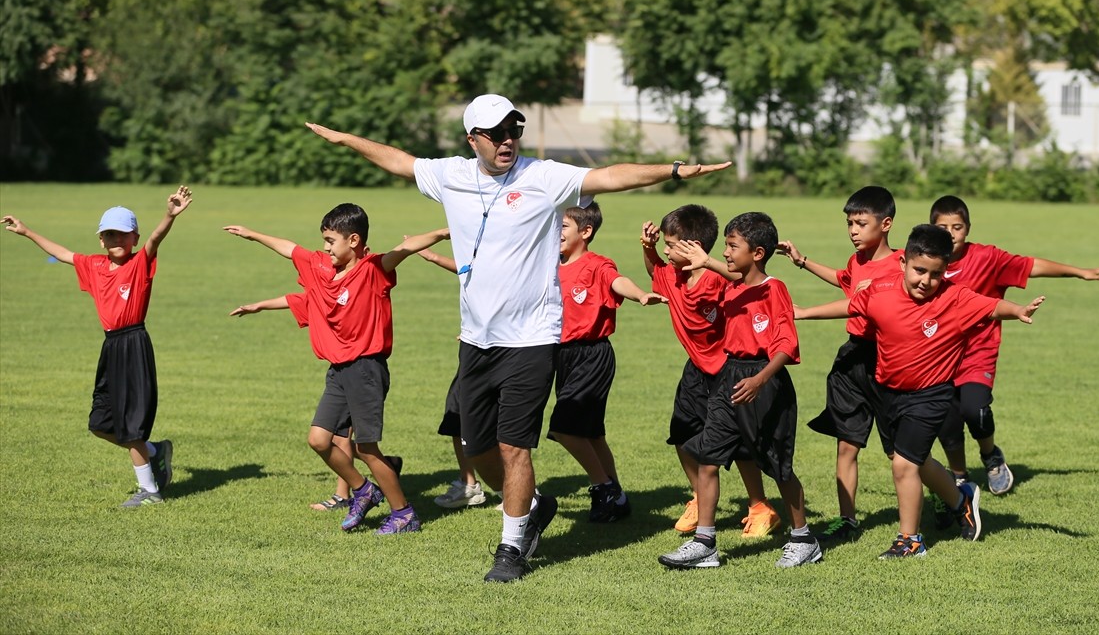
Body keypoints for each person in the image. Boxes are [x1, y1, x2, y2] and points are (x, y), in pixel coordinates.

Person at [306, 93, 729, 582]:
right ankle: (532, 506)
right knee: (478, 449)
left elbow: (611, 176)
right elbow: (399, 161)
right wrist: (344, 139)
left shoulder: (543, 177)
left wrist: (674, 170)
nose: (508, 140)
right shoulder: (451, 175)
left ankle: (510, 549)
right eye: (497, 133)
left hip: (532, 338)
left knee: (514, 447)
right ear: (473, 140)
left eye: (514, 130)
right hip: (475, 340)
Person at [794, 224, 1046, 559]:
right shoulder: (881, 291)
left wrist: (1018, 310)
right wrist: (804, 313)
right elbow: (853, 306)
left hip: (931, 395)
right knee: (919, 461)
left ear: (946, 271)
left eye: (936, 274)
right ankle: (961, 499)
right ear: (903, 263)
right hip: (889, 393)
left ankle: (910, 541)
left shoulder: (955, 297)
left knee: (903, 465)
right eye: (919, 271)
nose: (926, 280)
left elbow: (992, 306)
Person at [226, 203, 449, 535]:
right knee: (318, 439)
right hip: (338, 371)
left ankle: (404, 514)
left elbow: (404, 249)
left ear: (354, 240)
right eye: (325, 240)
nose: (326, 247)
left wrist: (445, 231)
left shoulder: (372, 270)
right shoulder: (323, 271)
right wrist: (253, 235)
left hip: (366, 370)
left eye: (331, 241)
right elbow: (291, 249)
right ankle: (364, 490)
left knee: (366, 448)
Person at [2, 187, 192, 507]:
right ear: (101, 240)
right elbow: (64, 254)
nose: (116, 239)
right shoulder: (94, 266)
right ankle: (155, 451)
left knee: (131, 425)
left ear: (134, 238)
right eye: (109, 234)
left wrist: (169, 216)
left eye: (123, 234)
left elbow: (156, 239)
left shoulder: (139, 264)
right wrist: (27, 232)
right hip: (111, 347)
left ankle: (150, 491)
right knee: (101, 423)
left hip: (133, 344)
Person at [657, 212, 819, 570]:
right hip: (729, 377)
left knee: (778, 466)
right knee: (708, 459)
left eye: (733, 246)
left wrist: (760, 379)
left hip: (765, 380)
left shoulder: (775, 290)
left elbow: (786, 344)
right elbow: (721, 279)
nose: (726, 252)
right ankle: (705, 544)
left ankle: (804, 539)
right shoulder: (730, 287)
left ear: (757, 253)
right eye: (726, 246)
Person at [927, 195, 1099, 503]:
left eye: (957, 227)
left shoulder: (986, 258)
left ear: (968, 228)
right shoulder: (923, 261)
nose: (951, 234)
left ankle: (991, 456)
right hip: (937, 357)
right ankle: (959, 476)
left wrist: (1079, 271)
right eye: (942, 228)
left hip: (977, 354)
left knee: (975, 410)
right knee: (947, 420)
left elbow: (1031, 265)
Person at [640, 205, 781, 540]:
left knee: (741, 444)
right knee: (682, 433)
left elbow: (746, 279)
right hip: (696, 369)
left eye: (671, 245)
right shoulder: (673, 276)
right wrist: (648, 248)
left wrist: (707, 262)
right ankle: (700, 496)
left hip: (730, 371)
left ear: (694, 248)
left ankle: (760, 506)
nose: (666, 251)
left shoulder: (719, 279)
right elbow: (655, 271)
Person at [776, 185, 902, 545]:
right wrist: (802, 261)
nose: (853, 231)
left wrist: (804, 312)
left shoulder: (901, 266)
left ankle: (944, 497)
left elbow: (856, 304)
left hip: (888, 360)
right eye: (849, 224)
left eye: (861, 224)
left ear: (886, 224)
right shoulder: (858, 260)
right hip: (852, 358)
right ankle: (847, 520)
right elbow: (845, 281)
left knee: (899, 453)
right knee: (847, 444)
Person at [551, 202, 665, 523]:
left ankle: (604, 487)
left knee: (564, 428)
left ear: (586, 232)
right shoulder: (550, 265)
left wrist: (640, 294)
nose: (556, 232)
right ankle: (617, 498)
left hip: (592, 354)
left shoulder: (596, 265)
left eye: (563, 227)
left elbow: (617, 281)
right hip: (563, 356)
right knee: (591, 433)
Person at [416, 247, 493, 511]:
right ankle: (469, 484)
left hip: (498, 347)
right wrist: (434, 257)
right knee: (456, 415)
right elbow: (473, 272)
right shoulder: (483, 252)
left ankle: (519, 491)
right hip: (473, 346)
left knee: (499, 422)